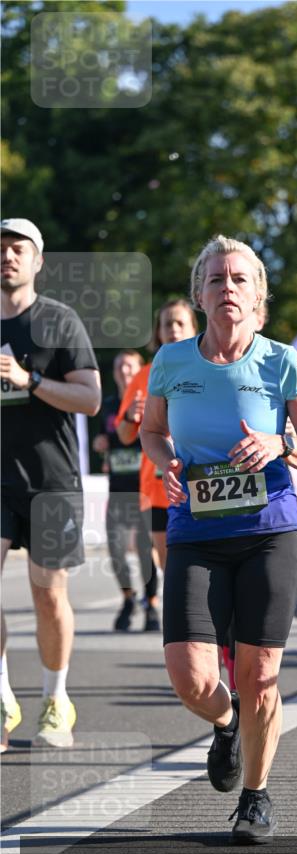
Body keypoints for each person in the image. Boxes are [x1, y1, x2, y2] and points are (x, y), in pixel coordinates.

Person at [140, 235, 297, 843]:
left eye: (240, 280)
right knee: (191, 677)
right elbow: (149, 432)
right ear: (199, 294)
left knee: (259, 670)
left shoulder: (281, 362)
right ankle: (225, 725)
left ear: (259, 297)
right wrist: (164, 459)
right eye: (218, 279)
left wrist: (281, 444)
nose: (229, 289)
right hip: (196, 530)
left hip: (268, 531)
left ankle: (255, 796)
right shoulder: (171, 362)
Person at [1, 218, 101, 750]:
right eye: (0, 249)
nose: (7, 256)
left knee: (46, 594)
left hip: (50, 480)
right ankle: (0, 698)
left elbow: (90, 399)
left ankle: (55, 699)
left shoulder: (59, 322)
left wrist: (29, 380)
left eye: (18, 249)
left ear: (37, 261)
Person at [115, 300, 198, 576]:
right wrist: (129, 416)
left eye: (180, 323)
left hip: (205, 481)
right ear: (158, 332)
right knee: (171, 569)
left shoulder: (211, 367)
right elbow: (125, 436)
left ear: (193, 328)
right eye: (166, 324)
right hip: (159, 488)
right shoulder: (143, 376)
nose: (173, 330)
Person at [92, 349, 160, 631]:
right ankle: (128, 599)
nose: (124, 371)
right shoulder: (108, 405)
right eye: (120, 366)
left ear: (139, 370)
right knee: (117, 550)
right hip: (118, 488)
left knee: (146, 550)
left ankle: (151, 604)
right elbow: (103, 437)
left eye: (130, 366)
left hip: (145, 488)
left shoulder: (149, 398)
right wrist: (100, 444)